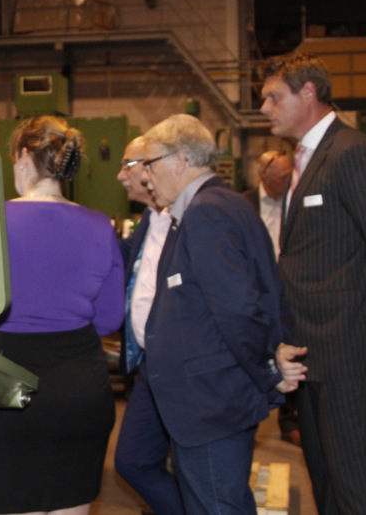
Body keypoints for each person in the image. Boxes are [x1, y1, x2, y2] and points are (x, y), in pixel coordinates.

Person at [259, 52, 366, 515]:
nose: (265, 108)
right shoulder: (306, 158)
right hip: (311, 351)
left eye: (274, 97)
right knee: (326, 484)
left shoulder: (350, 152)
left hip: (349, 352)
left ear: (308, 92)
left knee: (356, 491)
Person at [133, 114, 303, 514]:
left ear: (180, 161)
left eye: (150, 164)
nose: (144, 177)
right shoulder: (221, 205)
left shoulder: (207, 213)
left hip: (211, 404)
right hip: (211, 400)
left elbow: (238, 306)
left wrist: (268, 368)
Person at [0, 115, 125, 515]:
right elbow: (109, 318)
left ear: (23, 157)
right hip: (79, 391)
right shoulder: (99, 225)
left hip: (4, 385)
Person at [112, 136, 184, 514]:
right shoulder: (148, 221)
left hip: (183, 368)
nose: (120, 175)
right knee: (133, 460)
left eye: (128, 165)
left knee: (196, 471)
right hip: (150, 366)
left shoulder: (186, 219)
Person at [243, 150, 302, 447]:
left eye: (290, 176)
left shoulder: (297, 200)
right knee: (255, 349)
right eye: (282, 178)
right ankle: (248, 420)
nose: (287, 182)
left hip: (290, 287)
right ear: (264, 177)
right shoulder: (243, 204)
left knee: (290, 350)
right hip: (257, 289)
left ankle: (289, 420)